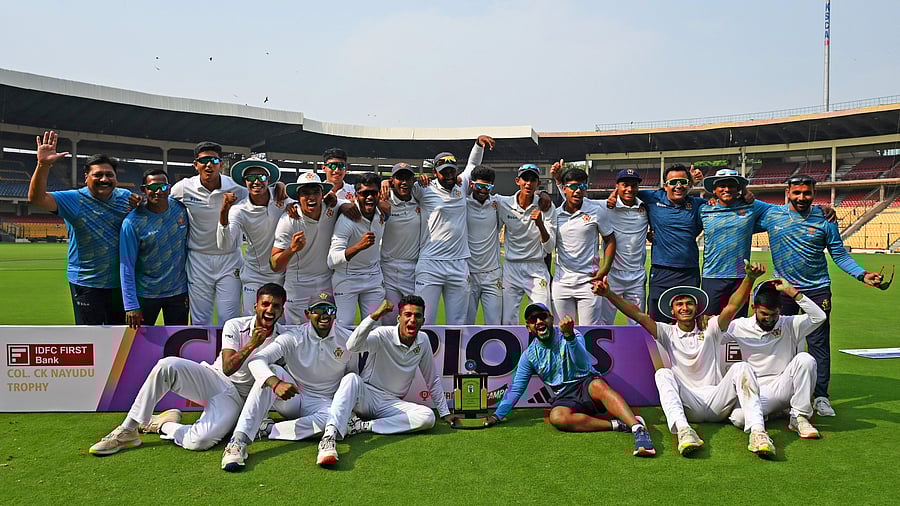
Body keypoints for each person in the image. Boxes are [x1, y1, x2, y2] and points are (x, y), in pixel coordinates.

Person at [593, 261, 775, 457]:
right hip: (689, 404)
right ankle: (684, 431)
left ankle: (758, 433)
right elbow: (637, 315)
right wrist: (609, 294)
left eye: (689, 303)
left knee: (742, 368)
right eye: (679, 304)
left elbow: (732, 306)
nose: (684, 307)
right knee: (663, 373)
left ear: (697, 308)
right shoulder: (666, 332)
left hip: (718, 400)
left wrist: (750, 278)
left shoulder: (711, 327)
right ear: (672, 311)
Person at [89, 283, 286, 456]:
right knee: (167, 366)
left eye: (276, 306)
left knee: (198, 442)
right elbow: (227, 368)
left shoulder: (285, 337)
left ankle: (164, 424)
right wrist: (251, 344)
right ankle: (128, 429)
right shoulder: (235, 325)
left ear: (282, 310)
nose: (269, 310)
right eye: (265, 304)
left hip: (242, 402)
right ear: (256, 306)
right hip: (217, 381)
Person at [760, 174, 882, 417]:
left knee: (818, 344)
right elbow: (741, 213)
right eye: (797, 193)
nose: (802, 197)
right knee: (779, 340)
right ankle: (781, 391)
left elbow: (839, 254)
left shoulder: (825, 220)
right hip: (783, 289)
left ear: (814, 193)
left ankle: (821, 396)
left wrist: (861, 274)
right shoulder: (771, 215)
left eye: (807, 193)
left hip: (816, 290)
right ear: (788, 192)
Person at [483, 303, 656, 457]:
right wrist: (497, 416)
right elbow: (516, 389)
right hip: (564, 396)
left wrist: (570, 337)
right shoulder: (529, 356)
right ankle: (617, 425)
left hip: (585, 382)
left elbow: (583, 364)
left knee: (598, 385)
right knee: (557, 417)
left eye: (542, 317)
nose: (538, 322)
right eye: (532, 320)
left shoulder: (572, 334)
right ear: (528, 328)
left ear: (551, 319)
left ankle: (637, 428)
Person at [221, 292, 356, 471]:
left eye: (329, 309)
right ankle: (238, 442)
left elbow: (351, 374)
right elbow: (257, 360)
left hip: (323, 404)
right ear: (308, 314)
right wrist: (276, 383)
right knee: (274, 371)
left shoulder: (347, 340)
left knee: (335, 419)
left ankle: (269, 430)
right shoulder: (294, 336)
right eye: (318, 310)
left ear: (335, 313)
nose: (324, 314)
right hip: (293, 396)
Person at [321, 296, 459, 464]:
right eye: (407, 314)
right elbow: (352, 346)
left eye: (417, 316)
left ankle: (361, 426)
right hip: (366, 395)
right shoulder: (382, 334)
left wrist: (444, 413)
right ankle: (329, 437)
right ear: (398, 318)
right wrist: (374, 316)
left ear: (423, 320)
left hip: (391, 403)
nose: (412, 320)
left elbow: (432, 380)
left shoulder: (423, 341)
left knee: (427, 417)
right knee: (351, 379)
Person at [27, 131, 139, 325]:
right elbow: (37, 198)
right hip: (87, 283)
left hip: (121, 284)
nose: (104, 179)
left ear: (116, 178)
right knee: (91, 339)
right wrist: (43, 165)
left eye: (109, 175)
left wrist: (140, 204)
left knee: (122, 338)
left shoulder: (125, 197)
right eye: (98, 175)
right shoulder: (73, 199)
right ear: (86, 177)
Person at [726, 279, 827, 440]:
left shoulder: (789, 323)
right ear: (754, 308)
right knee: (739, 418)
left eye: (774, 315)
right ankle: (778, 411)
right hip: (757, 390)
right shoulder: (738, 326)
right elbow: (715, 331)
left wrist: (791, 291)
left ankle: (799, 417)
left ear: (780, 309)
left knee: (805, 359)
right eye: (764, 314)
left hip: (784, 384)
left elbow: (819, 317)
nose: (769, 319)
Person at [411, 136, 493, 324]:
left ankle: (456, 355)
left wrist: (478, 145)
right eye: (443, 171)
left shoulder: (462, 185)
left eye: (451, 170)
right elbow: (400, 190)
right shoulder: (423, 188)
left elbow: (472, 164)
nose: (448, 175)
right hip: (430, 264)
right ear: (435, 172)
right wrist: (386, 183)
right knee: (425, 322)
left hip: (458, 264)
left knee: (458, 323)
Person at [608, 164, 705, 322]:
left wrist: (744, 196)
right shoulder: (652, 198)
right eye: (673, 182)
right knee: (657, 322)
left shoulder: (698, 204)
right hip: (661, 271)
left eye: (682, 182)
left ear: (689, 183)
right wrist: (613, 196)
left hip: (689, 272)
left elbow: (721, 203)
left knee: (688, 320)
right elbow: (628, 189)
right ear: (665, 186)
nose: (678, 186)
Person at [171, 141, 248, 325]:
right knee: (200, 320)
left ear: (221, 164)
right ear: (195, 164)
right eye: (204, 160)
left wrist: (279, 189)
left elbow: (261, 198)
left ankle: (227, 354)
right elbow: (161, 206)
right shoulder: (183, 187)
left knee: (229, 320)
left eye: (214, 160)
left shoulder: (237, 188)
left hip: (230, 259)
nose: (209, 164)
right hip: (198, 260)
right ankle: (199, 355)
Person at [270, 171, 347, 324]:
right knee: (298, 335)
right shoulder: (289, 220)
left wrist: (344, 205)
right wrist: (292, 249)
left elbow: (350, 206)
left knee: (325, 332)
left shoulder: (332, 207)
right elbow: (274, 265)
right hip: (298, 285)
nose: (311, 197)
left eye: (315, 192)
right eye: (305, 193)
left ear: (322, 194)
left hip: (326, 282)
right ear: (298, 197)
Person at [217, 158, 289, 316]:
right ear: (244, 182)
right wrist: (224, 211)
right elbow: (225, 244)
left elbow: (307, 204)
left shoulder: (282, 199)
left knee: (282, 323)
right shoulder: (239, 209)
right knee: (252, 321)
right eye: (250, 178)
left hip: (283, 274)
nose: (256, 181)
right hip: (254, 274)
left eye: (261, 177)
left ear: (268, 180)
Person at [119, 169, 189, 328]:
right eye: (153, 187)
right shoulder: (132, 223)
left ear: (169, 188)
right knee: (138, 342)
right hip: (146, 294)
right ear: (144, 190)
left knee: (177, 340)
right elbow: (126, 265)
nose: (158, 191)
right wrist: (131, 305)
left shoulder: (180, 209)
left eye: (163, 187)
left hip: (178, 293)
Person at [699, 169, 774, 316]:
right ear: (714, 190)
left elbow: (782, 211)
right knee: (708, 325)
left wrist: (819, 209)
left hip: (740, 277)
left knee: (738, 326)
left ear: (738, 189)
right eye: (722, 185)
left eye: (731, 185)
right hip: (712, 276)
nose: (726, 189)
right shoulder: (704, 209)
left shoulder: (752, 206)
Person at [551, 167, 614, 324]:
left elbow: (610, 240)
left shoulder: (596, 211)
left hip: (589, 282)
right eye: (573, 187)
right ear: (564, 188)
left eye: (582, 187)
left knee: (589, 333)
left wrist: (604, 269)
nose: (578, 191)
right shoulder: (555, 214)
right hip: (562, 282)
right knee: (562, 332)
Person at [496, 164, 556, 325]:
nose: (528, 184)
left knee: (542, 317)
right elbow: (480, 193)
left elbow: (549, 247)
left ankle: (542, 350)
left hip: (536, 267)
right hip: (511, 268)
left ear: (538, 183)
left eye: (533, 180)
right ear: (518, 181)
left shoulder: (546, 207)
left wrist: (540, 224)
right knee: (508, 319)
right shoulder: (504, 203)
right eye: (525, 179)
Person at [328, 172, 386, 330]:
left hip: (373, 278)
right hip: (347, 279)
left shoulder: (381, 214)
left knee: (374, 328)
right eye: (364, 193)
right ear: (356, 195)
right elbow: (332, 260)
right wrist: (359, 246)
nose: (369, 197)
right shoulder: (347, 219)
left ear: (378, 194)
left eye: (373, 193)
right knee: (343, 328)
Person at [380, 162, 421, 322]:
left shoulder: (420, 200)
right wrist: (381, 185)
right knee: (389, 319)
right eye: (399, 178)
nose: (404, 182)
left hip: (413, 269)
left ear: (413, 181)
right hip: (388, 268)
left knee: (412, 319)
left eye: (407, 178)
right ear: (392, 180)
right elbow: (362, 195)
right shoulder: (383, 200)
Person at [466, 165, 502, 324]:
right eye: (479, 186)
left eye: (487, 187)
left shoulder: (497, 203)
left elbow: (521, 198)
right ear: (472, 184)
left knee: (495, 324)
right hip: (468, 274)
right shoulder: (462, 204)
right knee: (466, 324)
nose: (483, 190)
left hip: (492, 274)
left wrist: (542, 193)